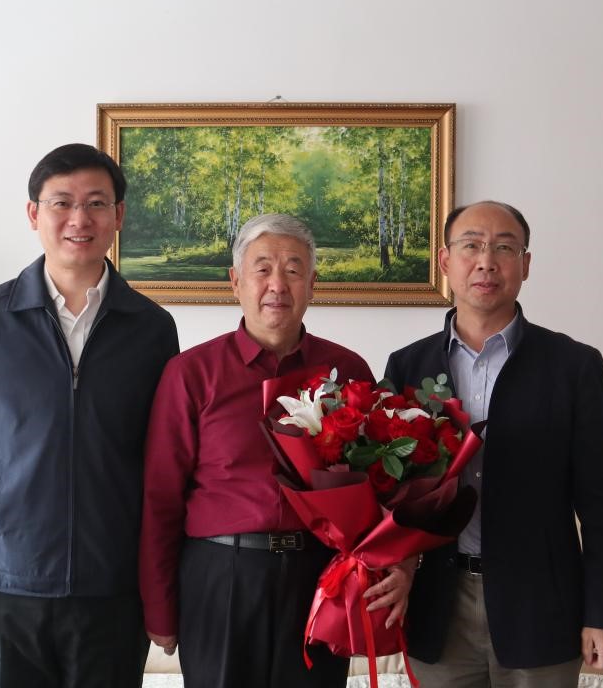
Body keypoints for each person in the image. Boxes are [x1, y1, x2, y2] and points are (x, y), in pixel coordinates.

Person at [0, 143, 179, 688]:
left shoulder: (151, 328)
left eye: (96, 203)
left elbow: (165, 467)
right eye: (61, 202)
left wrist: (160, 586)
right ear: (33, 213)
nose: (79, 219)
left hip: (114, 589)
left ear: (118, 215)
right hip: (7, 586)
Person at [139, 213, 411, 688]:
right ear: (235, 281)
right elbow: (161, 498)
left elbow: (378, 488)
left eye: (293, 269)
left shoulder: (347, 370)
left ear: (313, 284)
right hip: (221, 576)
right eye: (262, 268)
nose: (277, 285)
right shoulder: (191, 373)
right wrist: (159, 607)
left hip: (318, 576)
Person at [384, 201, 603, 688]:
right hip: (438, 604)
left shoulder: (574, 366)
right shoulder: (407, 366)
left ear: (526, 264)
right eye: (471, 246)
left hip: (541, 605)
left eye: (504, 248)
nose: (486, 262)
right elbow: (392, 494)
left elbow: (601, 501)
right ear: (445, 260)